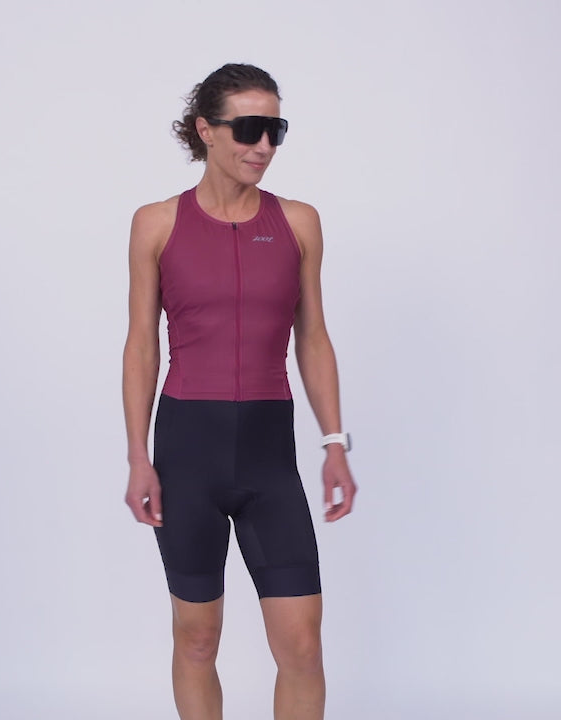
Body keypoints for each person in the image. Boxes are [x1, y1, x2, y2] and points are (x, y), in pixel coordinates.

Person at [122, 63, 357, 720]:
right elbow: (142, 345)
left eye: (276, 130)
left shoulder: (299, 222)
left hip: (268, 458)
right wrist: (138, 456)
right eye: (250, 128)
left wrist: (335, 443)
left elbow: (314, 337)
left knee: (302, 646)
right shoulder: (156, 223)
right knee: (197, 639)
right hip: (186, 454)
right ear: (206, 130)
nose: (264, 145)